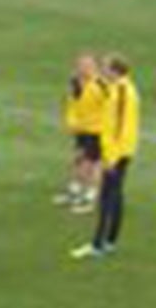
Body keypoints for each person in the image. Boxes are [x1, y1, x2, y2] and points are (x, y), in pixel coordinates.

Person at [75, 56, 140, 260]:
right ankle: (110, 241)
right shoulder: (123, 88)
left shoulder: (121, 91)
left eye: (106, 69)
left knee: (107, 198)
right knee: (117, 196)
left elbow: (119, 127)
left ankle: (98, 245)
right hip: (123, 151)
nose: (103, 72)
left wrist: (111, 157)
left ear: (115, 70)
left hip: (117, 153)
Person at [59, 54, 109, 211]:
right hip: (81, 129)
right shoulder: (74, 82)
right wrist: (70, 121)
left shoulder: (101, 85)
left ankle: (90, 197)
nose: (83, 69)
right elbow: (71, 103)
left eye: (87, 66)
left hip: (97, 130)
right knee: (78, 159)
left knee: (92, 163)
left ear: (95, 67)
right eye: (80, 65)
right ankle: (76, 190)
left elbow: (111, 107)